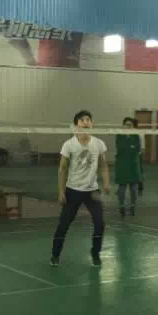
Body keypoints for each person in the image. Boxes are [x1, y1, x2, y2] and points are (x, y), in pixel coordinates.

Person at [51, 111, 110, 267]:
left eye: (88, 120)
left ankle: (95, 253)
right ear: (76, 124)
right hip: (73, 191)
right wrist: (61, 191)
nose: (85, 122)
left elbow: (103, 165)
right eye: (82, 120)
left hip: (92, 191)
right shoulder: (69, 145)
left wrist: (106, 182)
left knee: (100, 223)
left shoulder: (98, 144)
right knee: (63, 225)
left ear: (92, 123)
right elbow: (62, 169)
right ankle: (55, 254)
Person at [115, 117, 143, 218]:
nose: (128, 126)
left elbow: (138, 149)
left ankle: (132, 206)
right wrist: (131, 147)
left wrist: (130, 148)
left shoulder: (136, 136)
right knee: (121, 188)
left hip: (133, 164)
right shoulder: (119, 135)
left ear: (133, 126)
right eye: (126, 124)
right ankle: (121, 207)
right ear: (123, 126)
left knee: (134, 188)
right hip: (122, 164)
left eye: (130, 125)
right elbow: (120, 148)